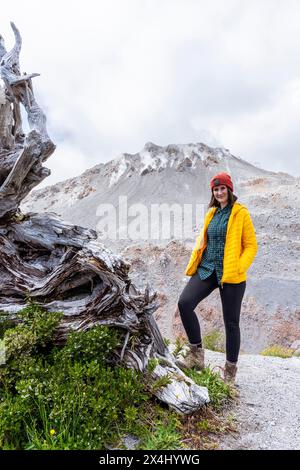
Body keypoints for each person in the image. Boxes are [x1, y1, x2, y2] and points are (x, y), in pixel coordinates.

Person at [176, 172, 258, 384]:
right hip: (208, 269)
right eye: (216, 189)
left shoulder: (240, 213)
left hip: (231, 274)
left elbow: (251, 246)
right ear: (213, 192)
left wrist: (239, 266)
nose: (219, 192)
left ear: (229, 190)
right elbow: (205, 240)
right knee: (184, 303)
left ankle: (229, 373)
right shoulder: (211, 213)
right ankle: (196, 355)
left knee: (231, 323)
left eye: (223, 188)